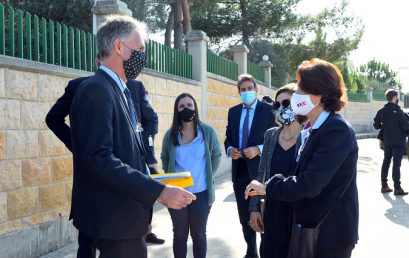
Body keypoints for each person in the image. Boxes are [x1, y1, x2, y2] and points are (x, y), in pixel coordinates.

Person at [69, 15, 196, 258]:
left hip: (127, 218)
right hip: (115, 221)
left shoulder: (121, 90)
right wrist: (159, 191)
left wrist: (156, 180)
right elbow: (98, 158)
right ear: (118, 47)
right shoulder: (97, 89)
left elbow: (126, 151)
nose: (142, 56)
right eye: (139, 49)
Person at [245, 58, 359, 258]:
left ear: (319, 94)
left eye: (300, 90)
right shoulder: (316, 129)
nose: (296, 95)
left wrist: (268, 187)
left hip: (330, 234)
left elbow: (310, 184)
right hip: (313, 229)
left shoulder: (336, 129)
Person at [248, 84, 306, 258]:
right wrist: (254, 208)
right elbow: (261, 174)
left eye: (286, 103)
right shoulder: (270, 135)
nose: (281, 108)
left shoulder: (308, 135)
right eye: (277, 105)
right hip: (272, 209)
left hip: (298, 212)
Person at [161, 93, 222, 258]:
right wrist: (172, 179)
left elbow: (216, 155)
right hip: (177, 194)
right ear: (176, 110)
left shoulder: (207, 132)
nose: (186, 109)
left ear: (195, 107)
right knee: (180, 235)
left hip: (201, 194)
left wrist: (208, 175)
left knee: (199, 235)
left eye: (189, 105)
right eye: (182, 106)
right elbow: (165, 158)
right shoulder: (170, 135)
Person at [224, 74, 276, 258]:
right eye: (243, 90)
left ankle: (265, 250)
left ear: (256, 89)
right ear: (239, 92)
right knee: (244, 214)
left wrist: (259, 149)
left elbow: (277, 139)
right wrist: (230, 149)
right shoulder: (233, 112)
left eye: (249, 88)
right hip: (240, 172)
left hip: (262, 173)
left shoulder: (268, 110)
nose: (246, 92)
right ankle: (251, 250)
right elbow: (228, 137)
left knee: (262, 212)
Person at [373, 89, 409, 195]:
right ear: (394, 98)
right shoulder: (398, 111)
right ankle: (397, 188)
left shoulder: (382, 110)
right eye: (397, 97)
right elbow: (405, 125)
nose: (397, 99)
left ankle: (384, 186)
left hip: (387, 141)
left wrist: (385, 126)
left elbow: (376, 125)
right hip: (398, 142)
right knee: (396, 164)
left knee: (386, 162)